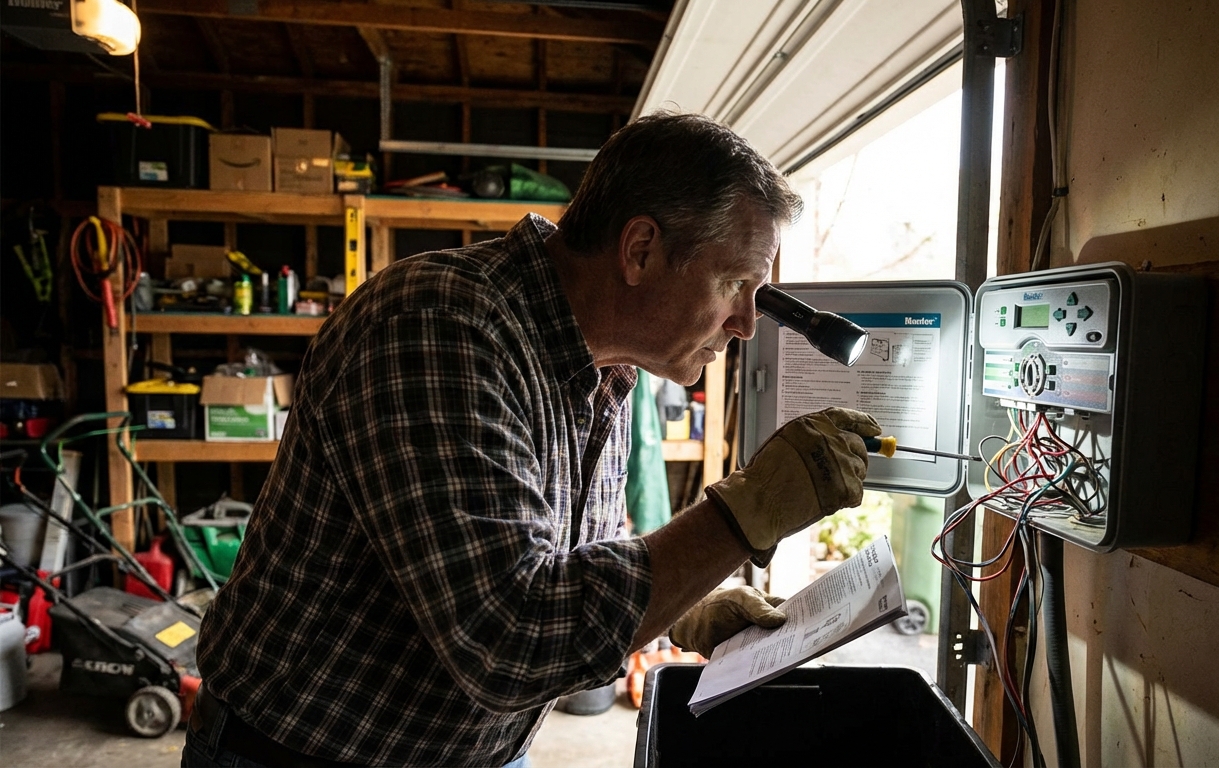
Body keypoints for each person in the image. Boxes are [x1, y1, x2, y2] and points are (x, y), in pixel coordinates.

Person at [183, 112, 880, 768]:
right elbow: (508, 640)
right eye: (735, 283)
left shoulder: (602, 369)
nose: (745, 325)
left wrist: (687, 605)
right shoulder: (440, 328)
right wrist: (745, 512)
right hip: (303, 753)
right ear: (640, 251)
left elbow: (562, 556)